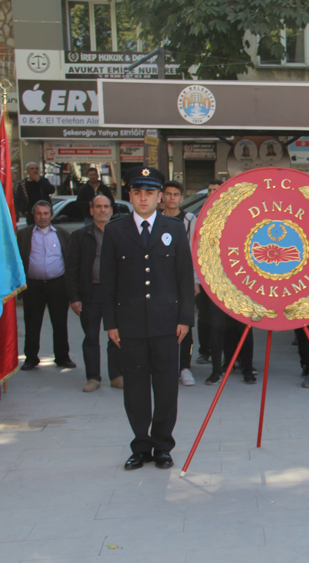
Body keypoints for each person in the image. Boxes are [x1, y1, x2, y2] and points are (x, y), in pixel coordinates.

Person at [100, 167, 195, 470]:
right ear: (129, 196)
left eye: (150, 193)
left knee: (167, 387)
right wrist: (111, 323)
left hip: (168, 323)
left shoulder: (174, 228)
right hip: (129, 325)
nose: (144, 198)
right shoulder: (116, 230)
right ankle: (141, 446)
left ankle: (163, 445)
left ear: (159, 197)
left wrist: (185, 318)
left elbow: (184, 277)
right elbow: (108, 282)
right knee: (136, 388)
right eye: (138, 192)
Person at [65, 194, 122, 392]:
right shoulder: (80, 236)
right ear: (91, 210)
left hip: (115, 293)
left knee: (116, 336)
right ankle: (93, 377)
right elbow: (71, 269)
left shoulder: (119, 233)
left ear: (112, 210)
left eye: (106, 206)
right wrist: (74, 297)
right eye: (98, 206)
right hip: (90, 293)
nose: (103, 210)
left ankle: (116, 375)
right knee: (90, 337)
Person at [16, 201, 75, 371]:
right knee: (32, 323)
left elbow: (70, 261)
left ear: (51, 215)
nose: (42, 217)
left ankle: (62, 357)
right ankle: (31, 358)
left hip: (57, 284)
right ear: (33, 215)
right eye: (38, 214)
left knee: (60, 323)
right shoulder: (24, 235)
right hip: (33, 285)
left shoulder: (62, 234)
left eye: (45, 213)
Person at [162, 180, 198, 386]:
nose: (172, 198)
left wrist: (194, 280)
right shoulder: (155, 219)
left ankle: (185, 367)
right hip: (162, 282)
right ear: (162, 197)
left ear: (181, 198)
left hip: (183, 280)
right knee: (163, 325)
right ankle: (166, 367)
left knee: (186, 324)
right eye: (168, 194)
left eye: (176, 194)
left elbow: (193, 251)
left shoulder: (189, 219)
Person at [196, 180, 223, 365]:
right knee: (204, 316)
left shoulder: (231, 214)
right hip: (203, 274)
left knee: (222, 320)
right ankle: (204, 351)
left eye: (216, 190)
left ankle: (226, 357)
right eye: (210, 190)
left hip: (224, 278)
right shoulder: (198, 217)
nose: (212, 193)